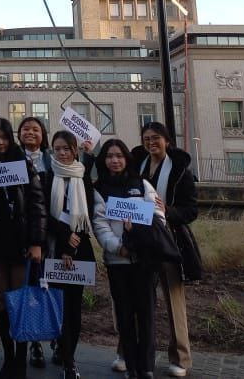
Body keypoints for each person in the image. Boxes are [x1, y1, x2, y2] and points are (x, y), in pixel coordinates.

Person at [0, 117, 46, 379]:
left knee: (20, 300)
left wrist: (37, 242)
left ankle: (21, 358)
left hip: (21, 241)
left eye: (4, 137)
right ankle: (8, 355)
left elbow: (37, 204)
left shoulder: (22, 162)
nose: (0, 142)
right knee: (2, 300)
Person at [92, 139, 165, 379]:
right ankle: (131, 367)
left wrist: (141, 237)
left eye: (119, 155)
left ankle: (146, 367)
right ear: (104, 160)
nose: (115, 160)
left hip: (145, 262)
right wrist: (118, 248)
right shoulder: (99, 188)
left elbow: (158, 217)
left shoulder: (142, 184)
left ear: (126, 158)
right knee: (124, 317)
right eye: (110, 156)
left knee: (146, 316)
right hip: (118, 262)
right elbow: (100, 226)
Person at [131, 123, 198, 378]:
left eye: (156, 138)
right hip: (140, 239)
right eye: (146, 139)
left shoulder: (180, 170)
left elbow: (191, 210)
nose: (151, 143)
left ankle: (181, 357)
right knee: (137, 299)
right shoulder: (137, 165)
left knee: (174, 299)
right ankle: (130, 352)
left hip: (169, 240)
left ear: (167, 141)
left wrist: (168, 210)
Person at [43, 130, 95, 379]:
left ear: (75, 150)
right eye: (57, 148)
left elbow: (89, 216)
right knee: (57, 306)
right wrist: (64, 237)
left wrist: (72, 246)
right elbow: (43, 214)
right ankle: (59, 344)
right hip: (54, 250)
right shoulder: (47, 176)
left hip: (78, 251)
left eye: (66, 148)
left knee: (74, 309)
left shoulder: (83, 177)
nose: (62, 153)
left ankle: (69, 360)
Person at [16, 116, 54, 370]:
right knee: (29, 289)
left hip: (53, 234)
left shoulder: (52, 159)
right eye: (25, 129)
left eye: (35, 129)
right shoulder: (12, 160)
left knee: (50, 286)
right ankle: (35, 343)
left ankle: (58, 338)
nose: (30, 133)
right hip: (22, 234)